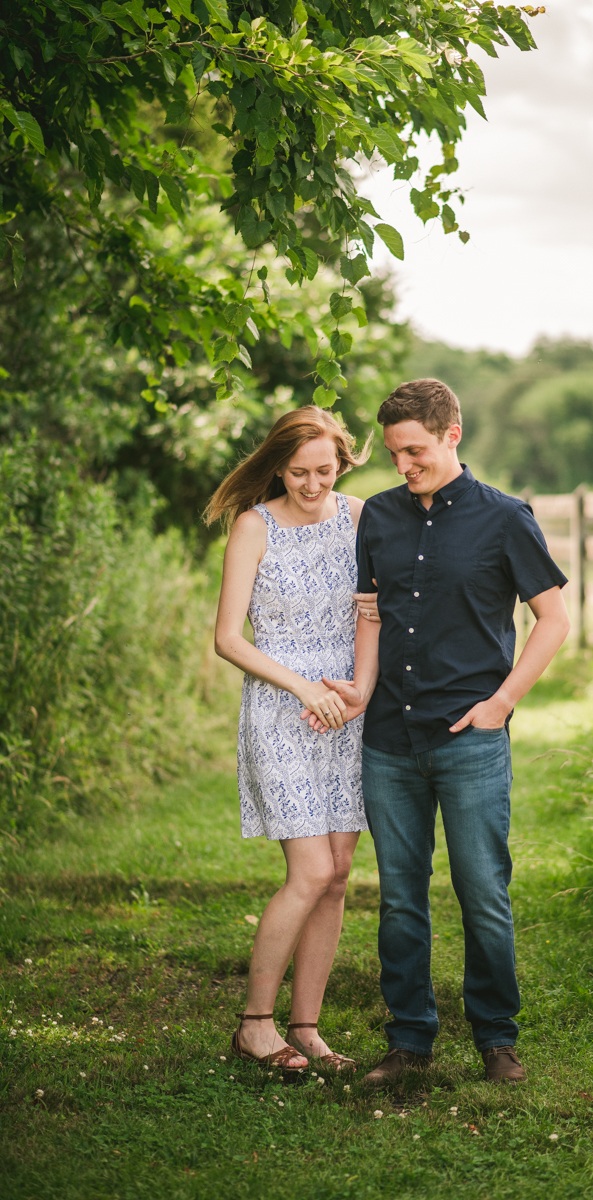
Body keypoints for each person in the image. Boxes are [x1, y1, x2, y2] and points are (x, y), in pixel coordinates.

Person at [315, 379, 571, 1085]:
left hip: (469, 740)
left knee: (481, 889)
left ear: (452, 435)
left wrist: (503, 702)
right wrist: (362, 691)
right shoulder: (381, 519)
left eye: (415, 450)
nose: (403, 465)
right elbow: (370, 613)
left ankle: (497, 1039)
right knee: (400, 896)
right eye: (395, 453)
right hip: (388, 742)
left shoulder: (506, 519)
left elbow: (554, 620)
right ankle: (409, 1043)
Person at [205, 406, 379, 1072]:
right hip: (283, 710)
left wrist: (353, 689)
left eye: (325, 470)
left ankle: (306, 1027)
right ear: (278, 466)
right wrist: (304, 689)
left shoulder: (360, 518)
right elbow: (227, 639)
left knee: (336, 877)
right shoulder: (255, 526)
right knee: (307, 871)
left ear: (343, 462)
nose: (312, 485)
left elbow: (374, 612)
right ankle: (255, 1024)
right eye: (300, 472)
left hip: (349, 707)